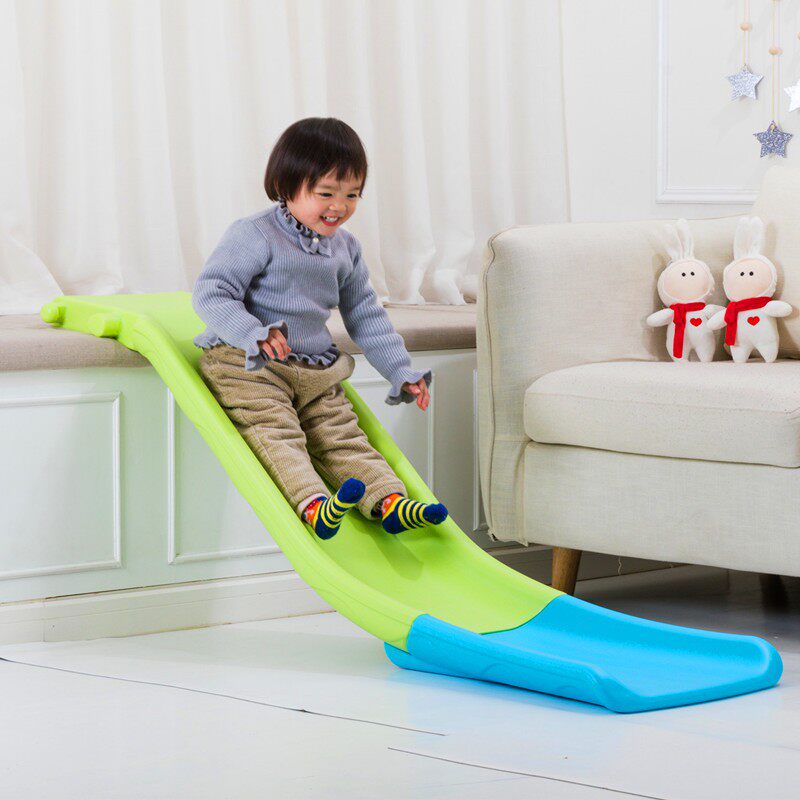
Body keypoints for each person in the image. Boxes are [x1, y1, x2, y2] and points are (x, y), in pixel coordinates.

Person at [192, 117, 448, 540]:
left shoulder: (346, 248)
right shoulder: (255, 234)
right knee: (275, 430)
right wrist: (253, 333)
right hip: (248, 364)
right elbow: (211, 292)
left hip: (314, 368)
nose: (339, 206)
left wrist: (400, 370)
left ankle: (388, 501)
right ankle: (313, 504)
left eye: (352, 194)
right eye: (326, 193)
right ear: (285, 185)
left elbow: (365, 314)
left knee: (342, 435)